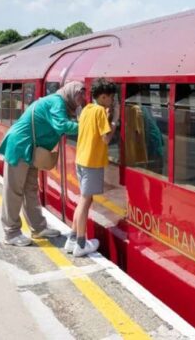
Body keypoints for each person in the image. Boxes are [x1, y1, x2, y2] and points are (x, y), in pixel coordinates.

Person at [0, 81, 86, 246]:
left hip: (32, 149)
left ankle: (38, 227)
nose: (82, 98)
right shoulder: (57, 102)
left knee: (30, 189)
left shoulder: (62, 104)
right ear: (70, 93)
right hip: (20, 146)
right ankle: (11, 232)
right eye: (79, 94)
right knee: (14, 190)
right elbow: (62, 125)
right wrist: (88, 126)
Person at [64, 79, 118, 257]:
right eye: (111, 97)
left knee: (83, 200)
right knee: (85, 201)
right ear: (103, 97)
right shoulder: (101, 111)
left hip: (81, 160)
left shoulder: (87, 109)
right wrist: (115, 121)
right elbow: (106, 139)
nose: (112, 101)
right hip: (92, 163)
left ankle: (72, 239)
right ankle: (80, 243)